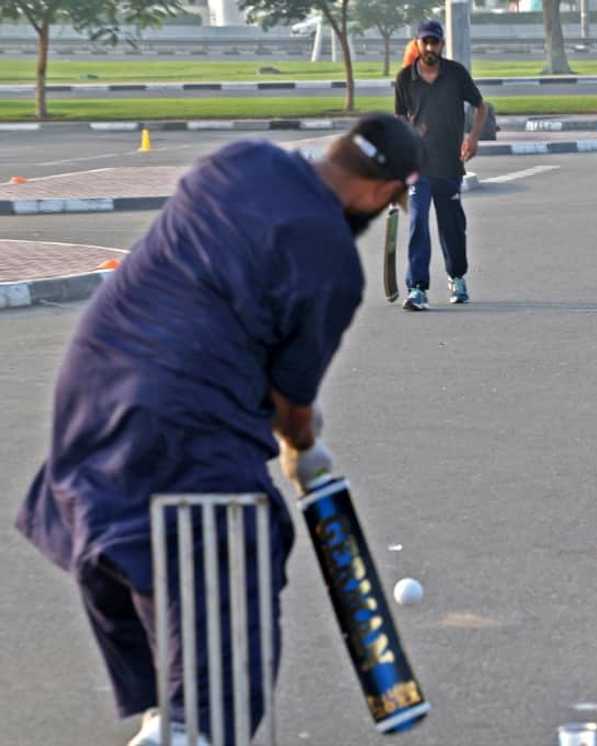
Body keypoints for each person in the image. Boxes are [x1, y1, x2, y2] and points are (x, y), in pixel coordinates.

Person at [15, 114, 422, 746]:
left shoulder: (242, 161)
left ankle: (166, 717)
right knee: (230, 558)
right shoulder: (332, 261)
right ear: (380, 191)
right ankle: (190, 728)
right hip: (185, 418)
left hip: (90, 387)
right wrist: (304, 450)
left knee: (136, 546)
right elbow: (291, 402)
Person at [394, 19, 488, 311]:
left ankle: (457, 278)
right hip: (418, 166)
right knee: (418, 222)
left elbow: (480, 106)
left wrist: (473, 138)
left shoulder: (456, 74)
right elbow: (399, 119)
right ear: (417, 44)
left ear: (442, 44)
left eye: (435, 42)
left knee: (452, 226)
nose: (430, 47)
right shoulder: (405, 78)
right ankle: (417, 288)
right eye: (426, 42)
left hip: (449, 165)